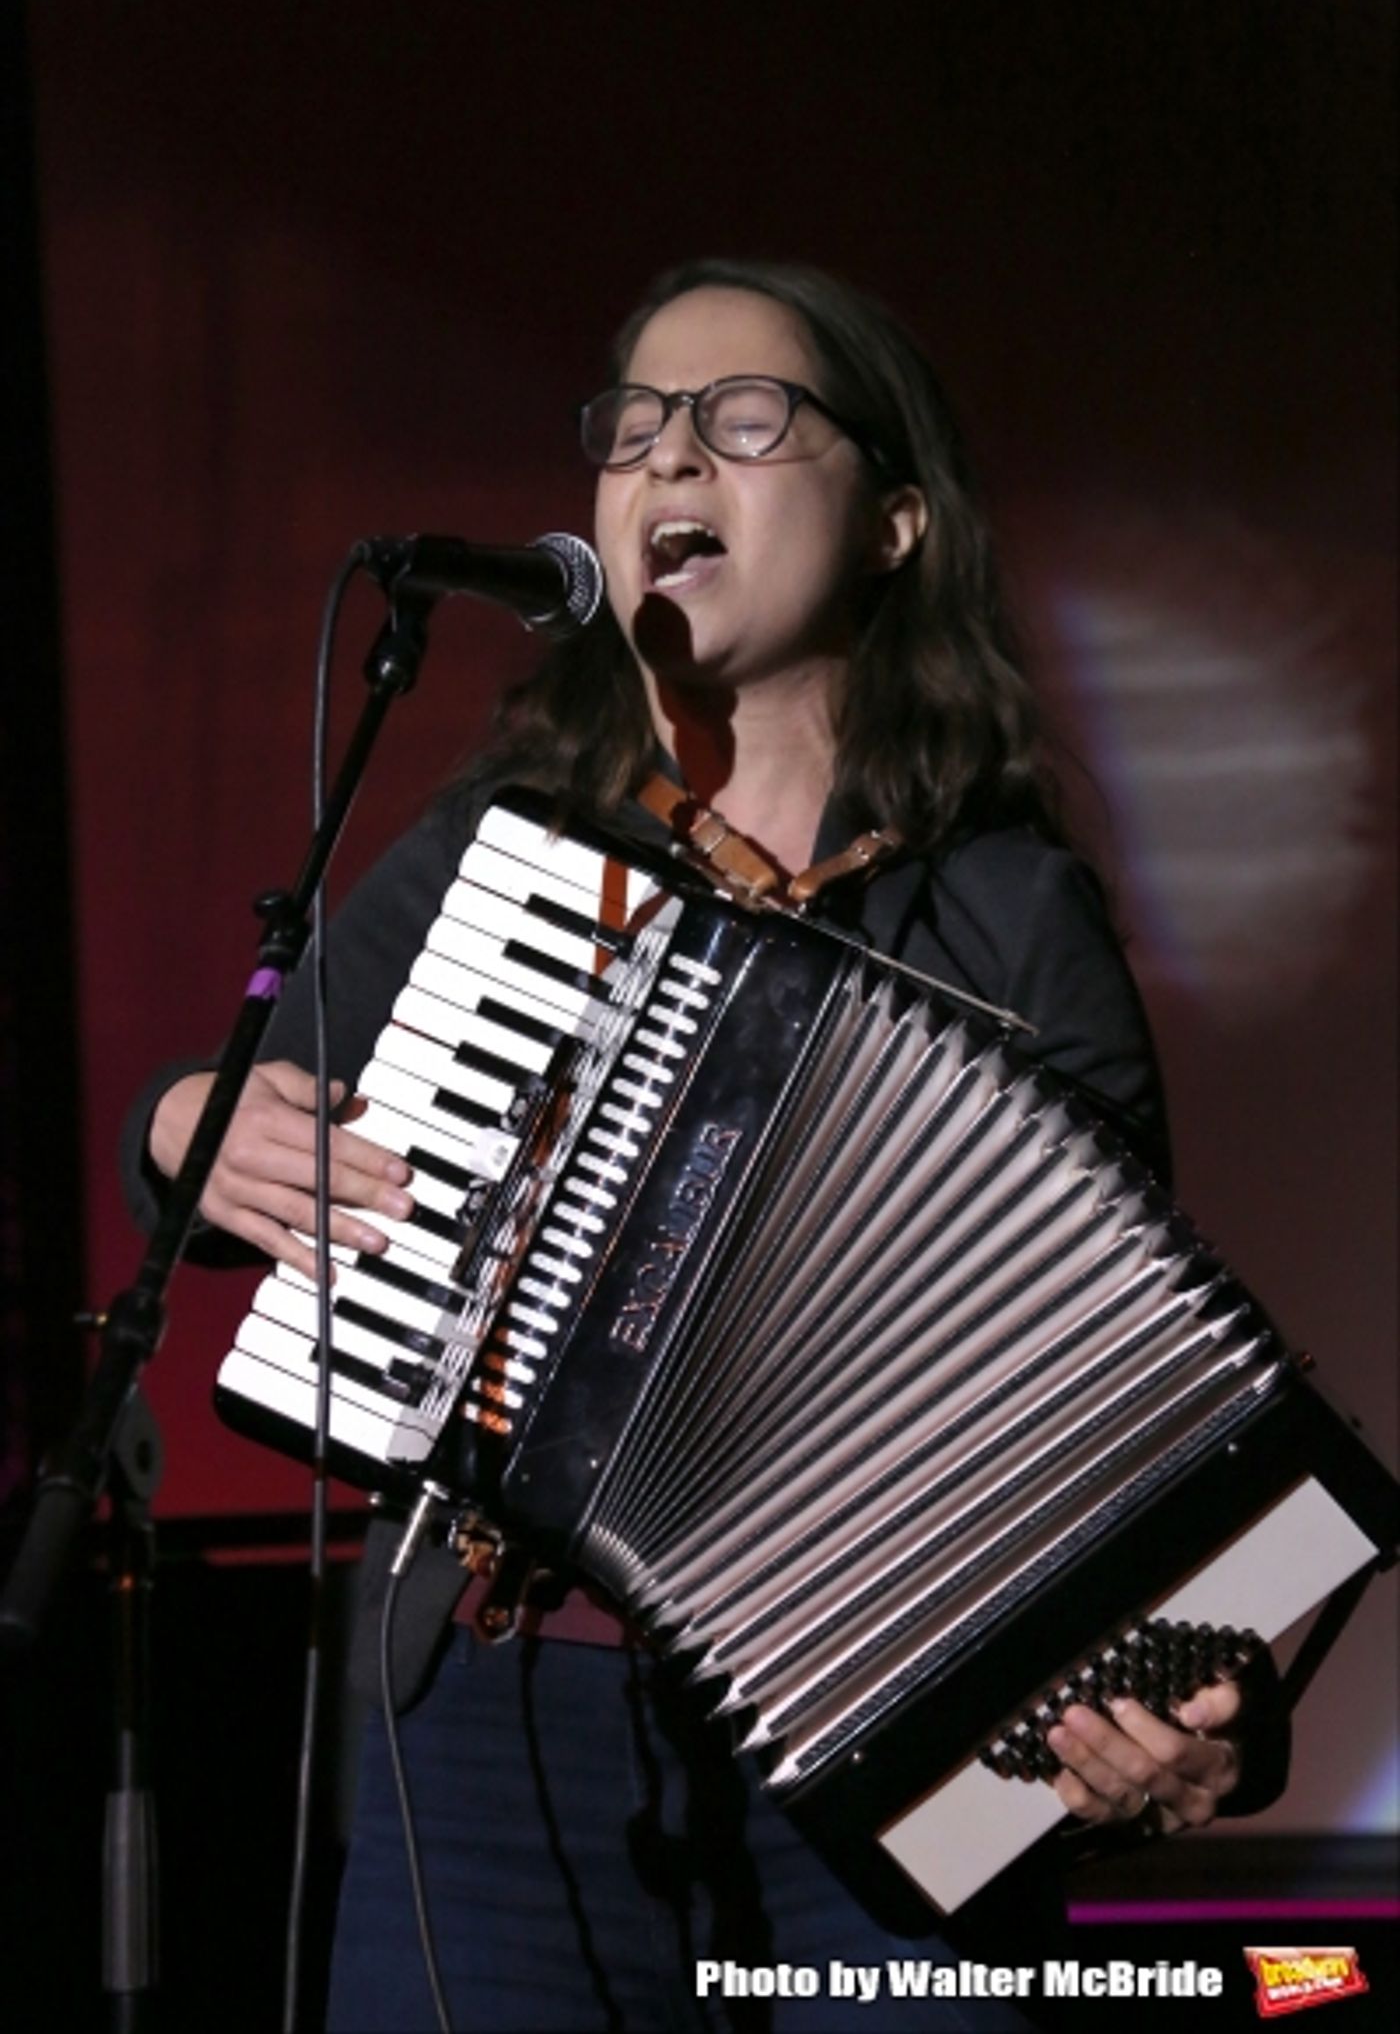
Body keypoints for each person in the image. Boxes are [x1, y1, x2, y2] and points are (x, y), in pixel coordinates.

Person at [124, 260, 1281, 2031]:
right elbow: (230, 1138)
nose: (672, 461)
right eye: (636, 428)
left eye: (746, 424)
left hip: (890, 1755)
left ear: (896, 524)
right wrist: (187, 1124)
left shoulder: (1007, 910)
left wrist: (1192, 1699)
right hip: (509, 1731)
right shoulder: (501, 849)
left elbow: (1123, 1396)